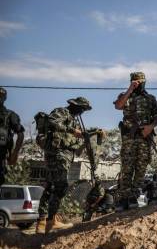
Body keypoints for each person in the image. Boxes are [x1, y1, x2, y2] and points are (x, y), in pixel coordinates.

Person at [36, 97, 92, 233]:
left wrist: (86, 138)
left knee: (50, 186)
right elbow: (52, 121)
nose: (82, 112)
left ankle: (43, 223)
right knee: (61, 186)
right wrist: (74, 131)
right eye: (82, 108)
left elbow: (76, 150)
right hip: (57, 154)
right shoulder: (62, 112)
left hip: (63, 155)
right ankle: (51, 220)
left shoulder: (73, 120)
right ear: (75, 105)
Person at [114, 72, 157, 209]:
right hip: (129, 137)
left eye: (140, 82)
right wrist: (130, 89)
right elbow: (118, 106)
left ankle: (133, 196)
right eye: (135, 82)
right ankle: (123, 198)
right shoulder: (125, 96)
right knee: (127, 168)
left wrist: (150, 127)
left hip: (145, 138)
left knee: (141, 168)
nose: (138, 84)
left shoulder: (150, 98)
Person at [0, 87, 24, 187]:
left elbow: (20, 134)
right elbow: (20, 134)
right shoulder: (10, 115)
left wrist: (14, 154)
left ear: (4, 98)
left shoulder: (10, 115)